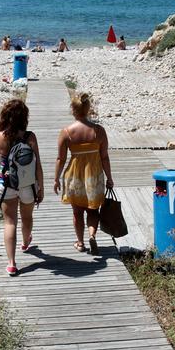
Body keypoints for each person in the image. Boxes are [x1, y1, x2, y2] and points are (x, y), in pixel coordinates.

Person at [55, 92, 113, 254]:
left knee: (77, 211)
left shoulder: (66, 132)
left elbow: (60, 158)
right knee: (93, 210)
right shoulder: (99, 131)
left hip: (74, 176)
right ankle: (92, 235)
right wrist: (109, 177)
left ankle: (80, 243)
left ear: (73, 109)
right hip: (94, 176)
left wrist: (56, 179)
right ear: (88, 109)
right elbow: (105, 157)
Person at [0, 98, 44, 275]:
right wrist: (40, 187)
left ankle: (12, 263)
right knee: (27, 217)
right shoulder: (30, 137)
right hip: (27, 184)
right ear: (24, 117)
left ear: (4, 116)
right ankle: (26, 242)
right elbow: (37, 164)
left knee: (9, 222)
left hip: (6, 184)